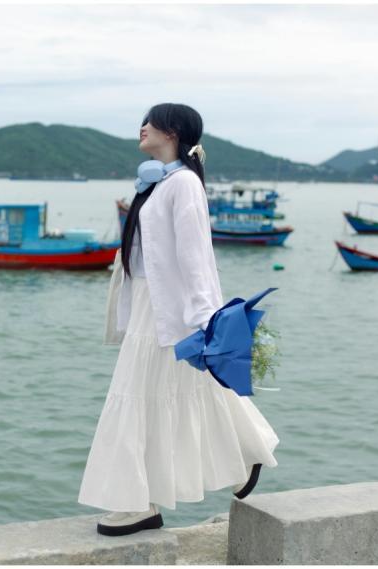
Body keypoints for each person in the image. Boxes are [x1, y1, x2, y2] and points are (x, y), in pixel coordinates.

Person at [77, 103, 280, 537]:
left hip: (171, 306)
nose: (143, 126)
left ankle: (140, 502)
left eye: (152, 121)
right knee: (173, 390)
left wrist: (207, 316)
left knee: (146, 394)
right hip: (153, 305)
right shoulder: (159, 181)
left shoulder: (183, 183)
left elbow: (195, 252)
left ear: (174, 131)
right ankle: (244, 454)